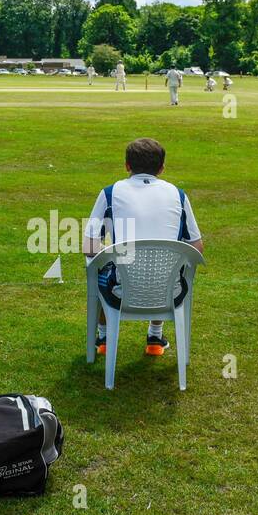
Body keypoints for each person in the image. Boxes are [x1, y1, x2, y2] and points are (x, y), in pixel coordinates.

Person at [84, 138, 204, 356]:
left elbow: (89, 246)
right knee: (167, 266)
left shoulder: (110, 193)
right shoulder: (178, 195)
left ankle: (103, 337)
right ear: (161, 168)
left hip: (119, 292)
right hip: (171, 293)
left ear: (127, 166)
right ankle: (155, 336)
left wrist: (112, 252)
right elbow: (197, 247)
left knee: (100, 266)